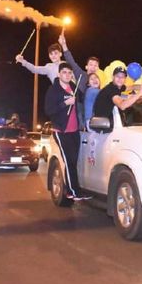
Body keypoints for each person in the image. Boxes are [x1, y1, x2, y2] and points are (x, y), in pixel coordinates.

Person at [44, 62, 91, 201]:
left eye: (70, 73)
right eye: (64, 72)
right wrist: (65, 103)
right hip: (61, 131)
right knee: (69, 161)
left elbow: (84, 98)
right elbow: (49, 110)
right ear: (59, 74)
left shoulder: (73, 87)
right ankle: (73, 192)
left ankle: (73, 189)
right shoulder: (54, 90)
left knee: (73, 161)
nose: (67, 75)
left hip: (74, 131)